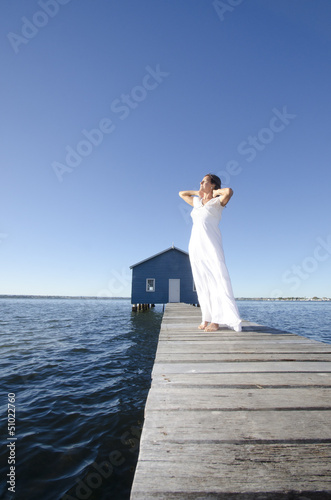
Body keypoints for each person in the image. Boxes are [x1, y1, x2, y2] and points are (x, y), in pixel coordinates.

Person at [179, 174, 242, 332]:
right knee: (201, 282)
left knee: (217, 280)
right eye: (200, 181)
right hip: (195, 246)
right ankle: (206, 317)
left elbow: (229, 191)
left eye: (204, 181)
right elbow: (181, 194)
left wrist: (212, 193)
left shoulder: (217, 202)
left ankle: (216, 320)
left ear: (213, 185)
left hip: (211, 245)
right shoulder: (196, 202)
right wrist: (199, 192)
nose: (200, 183)